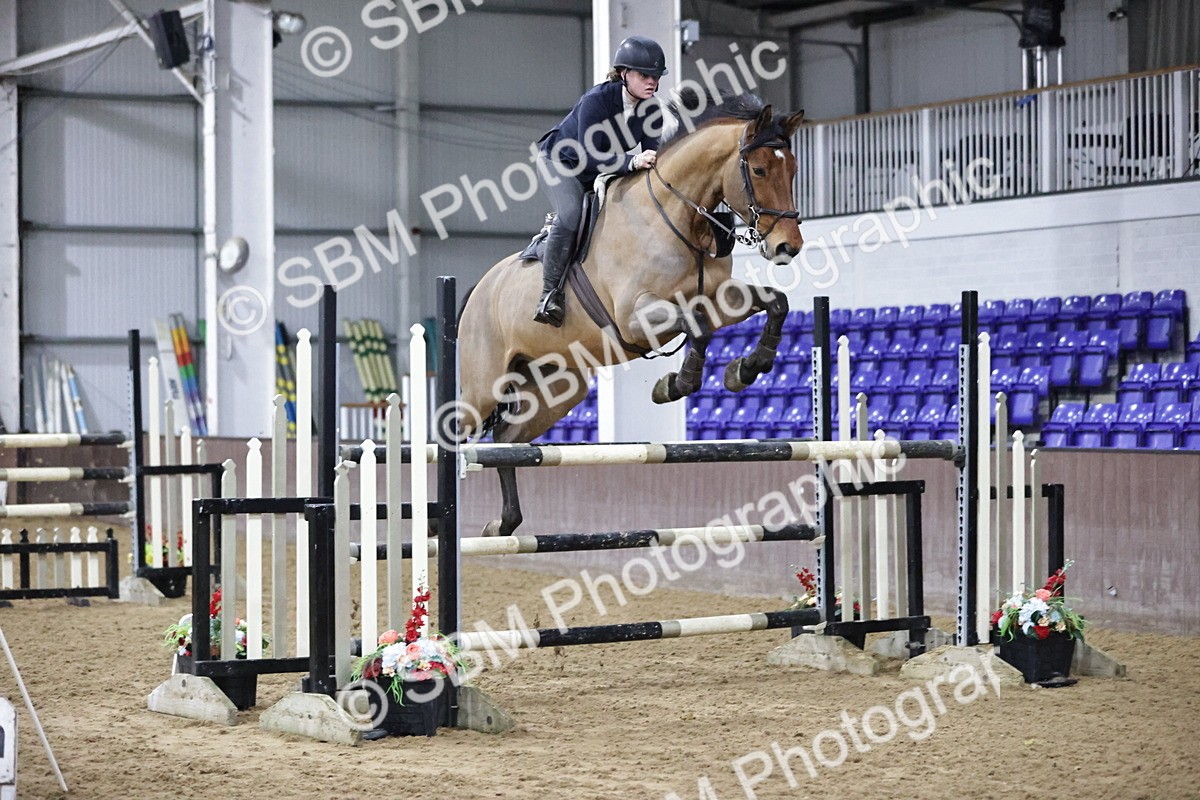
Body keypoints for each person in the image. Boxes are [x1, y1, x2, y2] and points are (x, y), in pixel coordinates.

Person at [532, 35, 667, 326]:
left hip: (598, 170)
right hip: (561, 162)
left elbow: (651, 156)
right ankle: (548, 295)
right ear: (624, 73)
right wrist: (631, 162)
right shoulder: (597, 100)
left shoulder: (651, 110)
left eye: (656, 77)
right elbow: (589, 155)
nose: (652, 82)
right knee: (570, 215)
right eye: (644, 75)